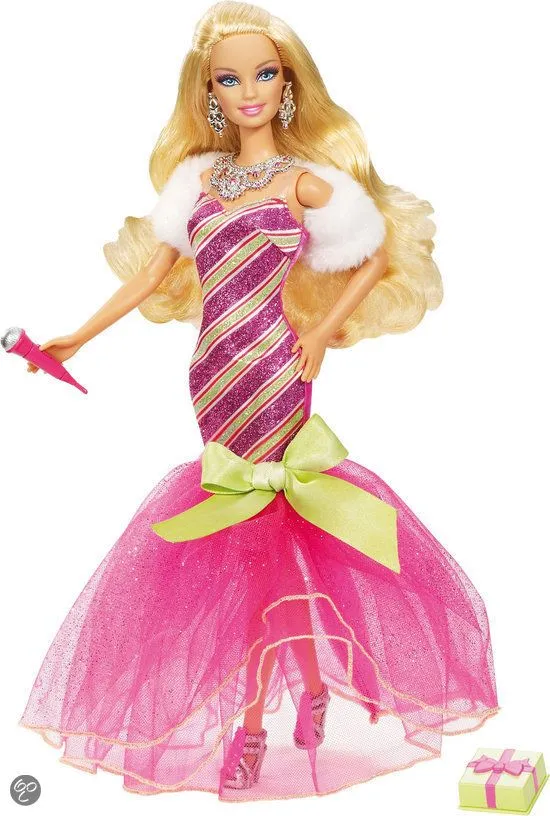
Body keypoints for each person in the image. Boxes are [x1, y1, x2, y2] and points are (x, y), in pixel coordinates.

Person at [20, 1, 499, 801]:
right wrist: (77, 336)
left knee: (263, 540)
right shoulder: (199, 182)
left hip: (277, 367)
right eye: (230, 79)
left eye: (265, 74)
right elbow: (150, 276)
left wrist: (321, 335)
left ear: (287, 84)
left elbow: (375, 255)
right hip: (212, 373)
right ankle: (309, 686)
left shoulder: (304, 183)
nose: (249, 92)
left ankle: (250, 730)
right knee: (251, 542)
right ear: (209, 92)